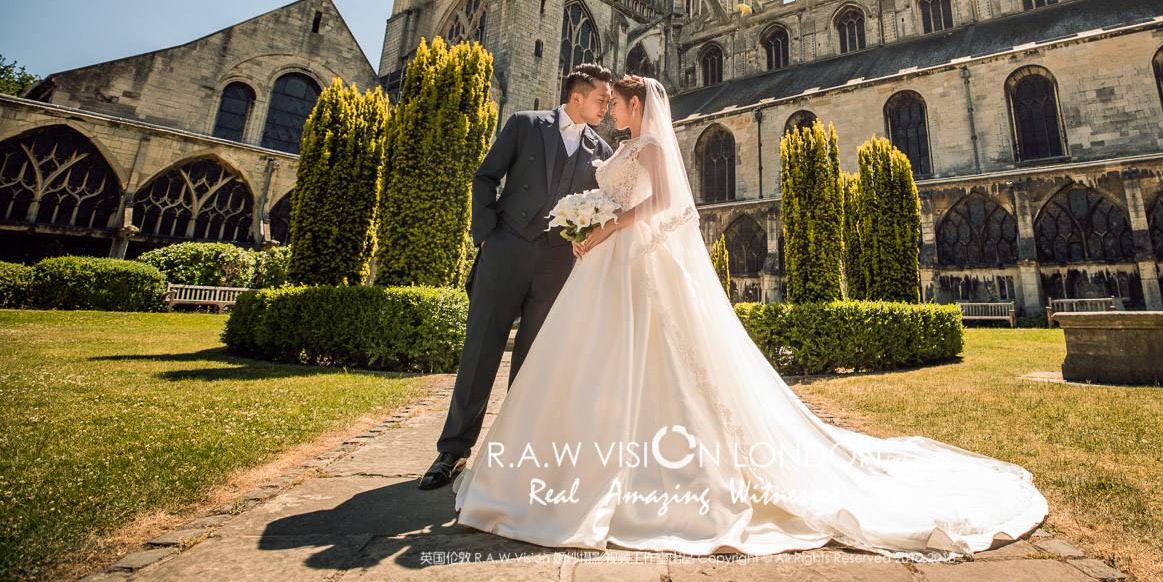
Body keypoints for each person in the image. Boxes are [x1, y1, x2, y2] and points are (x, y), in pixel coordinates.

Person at [450, 75, 1049, 560]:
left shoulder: (643, 144)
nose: (609, 111)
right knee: (585, 356)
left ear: (637, 104)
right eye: (603, 101)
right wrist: (578, 221)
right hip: (592, 262)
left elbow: (658, 202)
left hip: (626, 258)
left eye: (617, 103)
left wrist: (602, 225)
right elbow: (599, 185)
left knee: (641, 357)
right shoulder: (608, 143)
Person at [417, 63, 615, 491]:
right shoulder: (525, 124)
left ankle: (513, 450)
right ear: (577, 97)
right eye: (602, 99)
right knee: (481, 351)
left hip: (558, 263)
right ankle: (452, 450)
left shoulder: (602, 149)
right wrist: (486, 237)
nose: (608, 107)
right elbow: (485, 177)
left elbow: (606, 205)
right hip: (505, 251)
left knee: (534, 361)